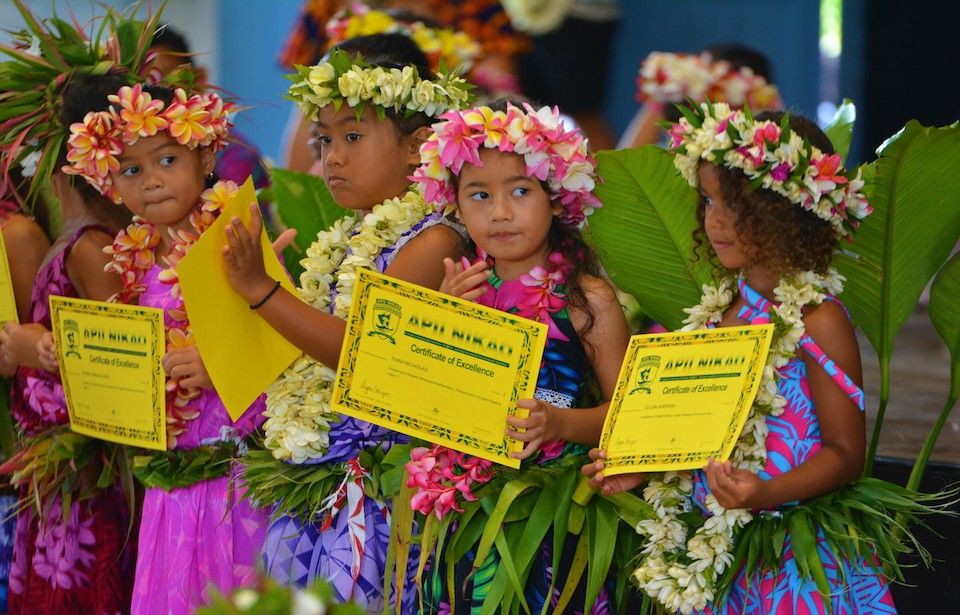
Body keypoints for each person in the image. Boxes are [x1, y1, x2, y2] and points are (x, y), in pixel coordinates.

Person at [585, 103, 895, 613]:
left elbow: (845, 454)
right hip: (717, 559)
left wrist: (764, 492)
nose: (717, 220)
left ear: (787, 208)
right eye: (707, 201)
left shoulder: (818, 320)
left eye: (737, 205)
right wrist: (640, 469)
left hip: (793, 560)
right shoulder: (712, 317)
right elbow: (688, 441)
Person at [220, 49, 470, 610]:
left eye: (351, 138)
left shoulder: (434, 241)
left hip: (378, 489)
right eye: (324, 141)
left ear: (417, 146)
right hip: (325, 475)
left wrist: (262, 290)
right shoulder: (351, 239)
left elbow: (363, 353)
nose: (332, 158)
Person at [56, 74, 271, 613]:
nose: (151, 181)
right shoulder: (133, 260)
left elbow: (285, 347)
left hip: (236, 481)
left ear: (204, 157)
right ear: (110, 185)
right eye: (131, 170)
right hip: (172, 485)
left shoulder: (237, 239)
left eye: (167, 160)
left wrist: (221, 362)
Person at [409, 99, 629, 612]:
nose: (500, 213)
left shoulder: (587, 297)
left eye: (521, 191)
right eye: (479, 195)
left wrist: (559, 424)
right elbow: (425, 403)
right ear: (456, 207)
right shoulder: (453, 289)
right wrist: (443, 323)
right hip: (460, 515)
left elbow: (627, 417)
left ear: (555, 200)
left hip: (553, 519)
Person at [149, 24, 270, 190]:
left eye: (170, 81)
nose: (157, 100)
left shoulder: (237, 158)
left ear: (200, 78)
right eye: (145, 86)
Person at [617, 45, 781, 150]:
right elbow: (625, 157)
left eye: (717, 87)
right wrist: (665, 93)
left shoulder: (763, 141)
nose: (705, 98)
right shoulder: (680, 113)